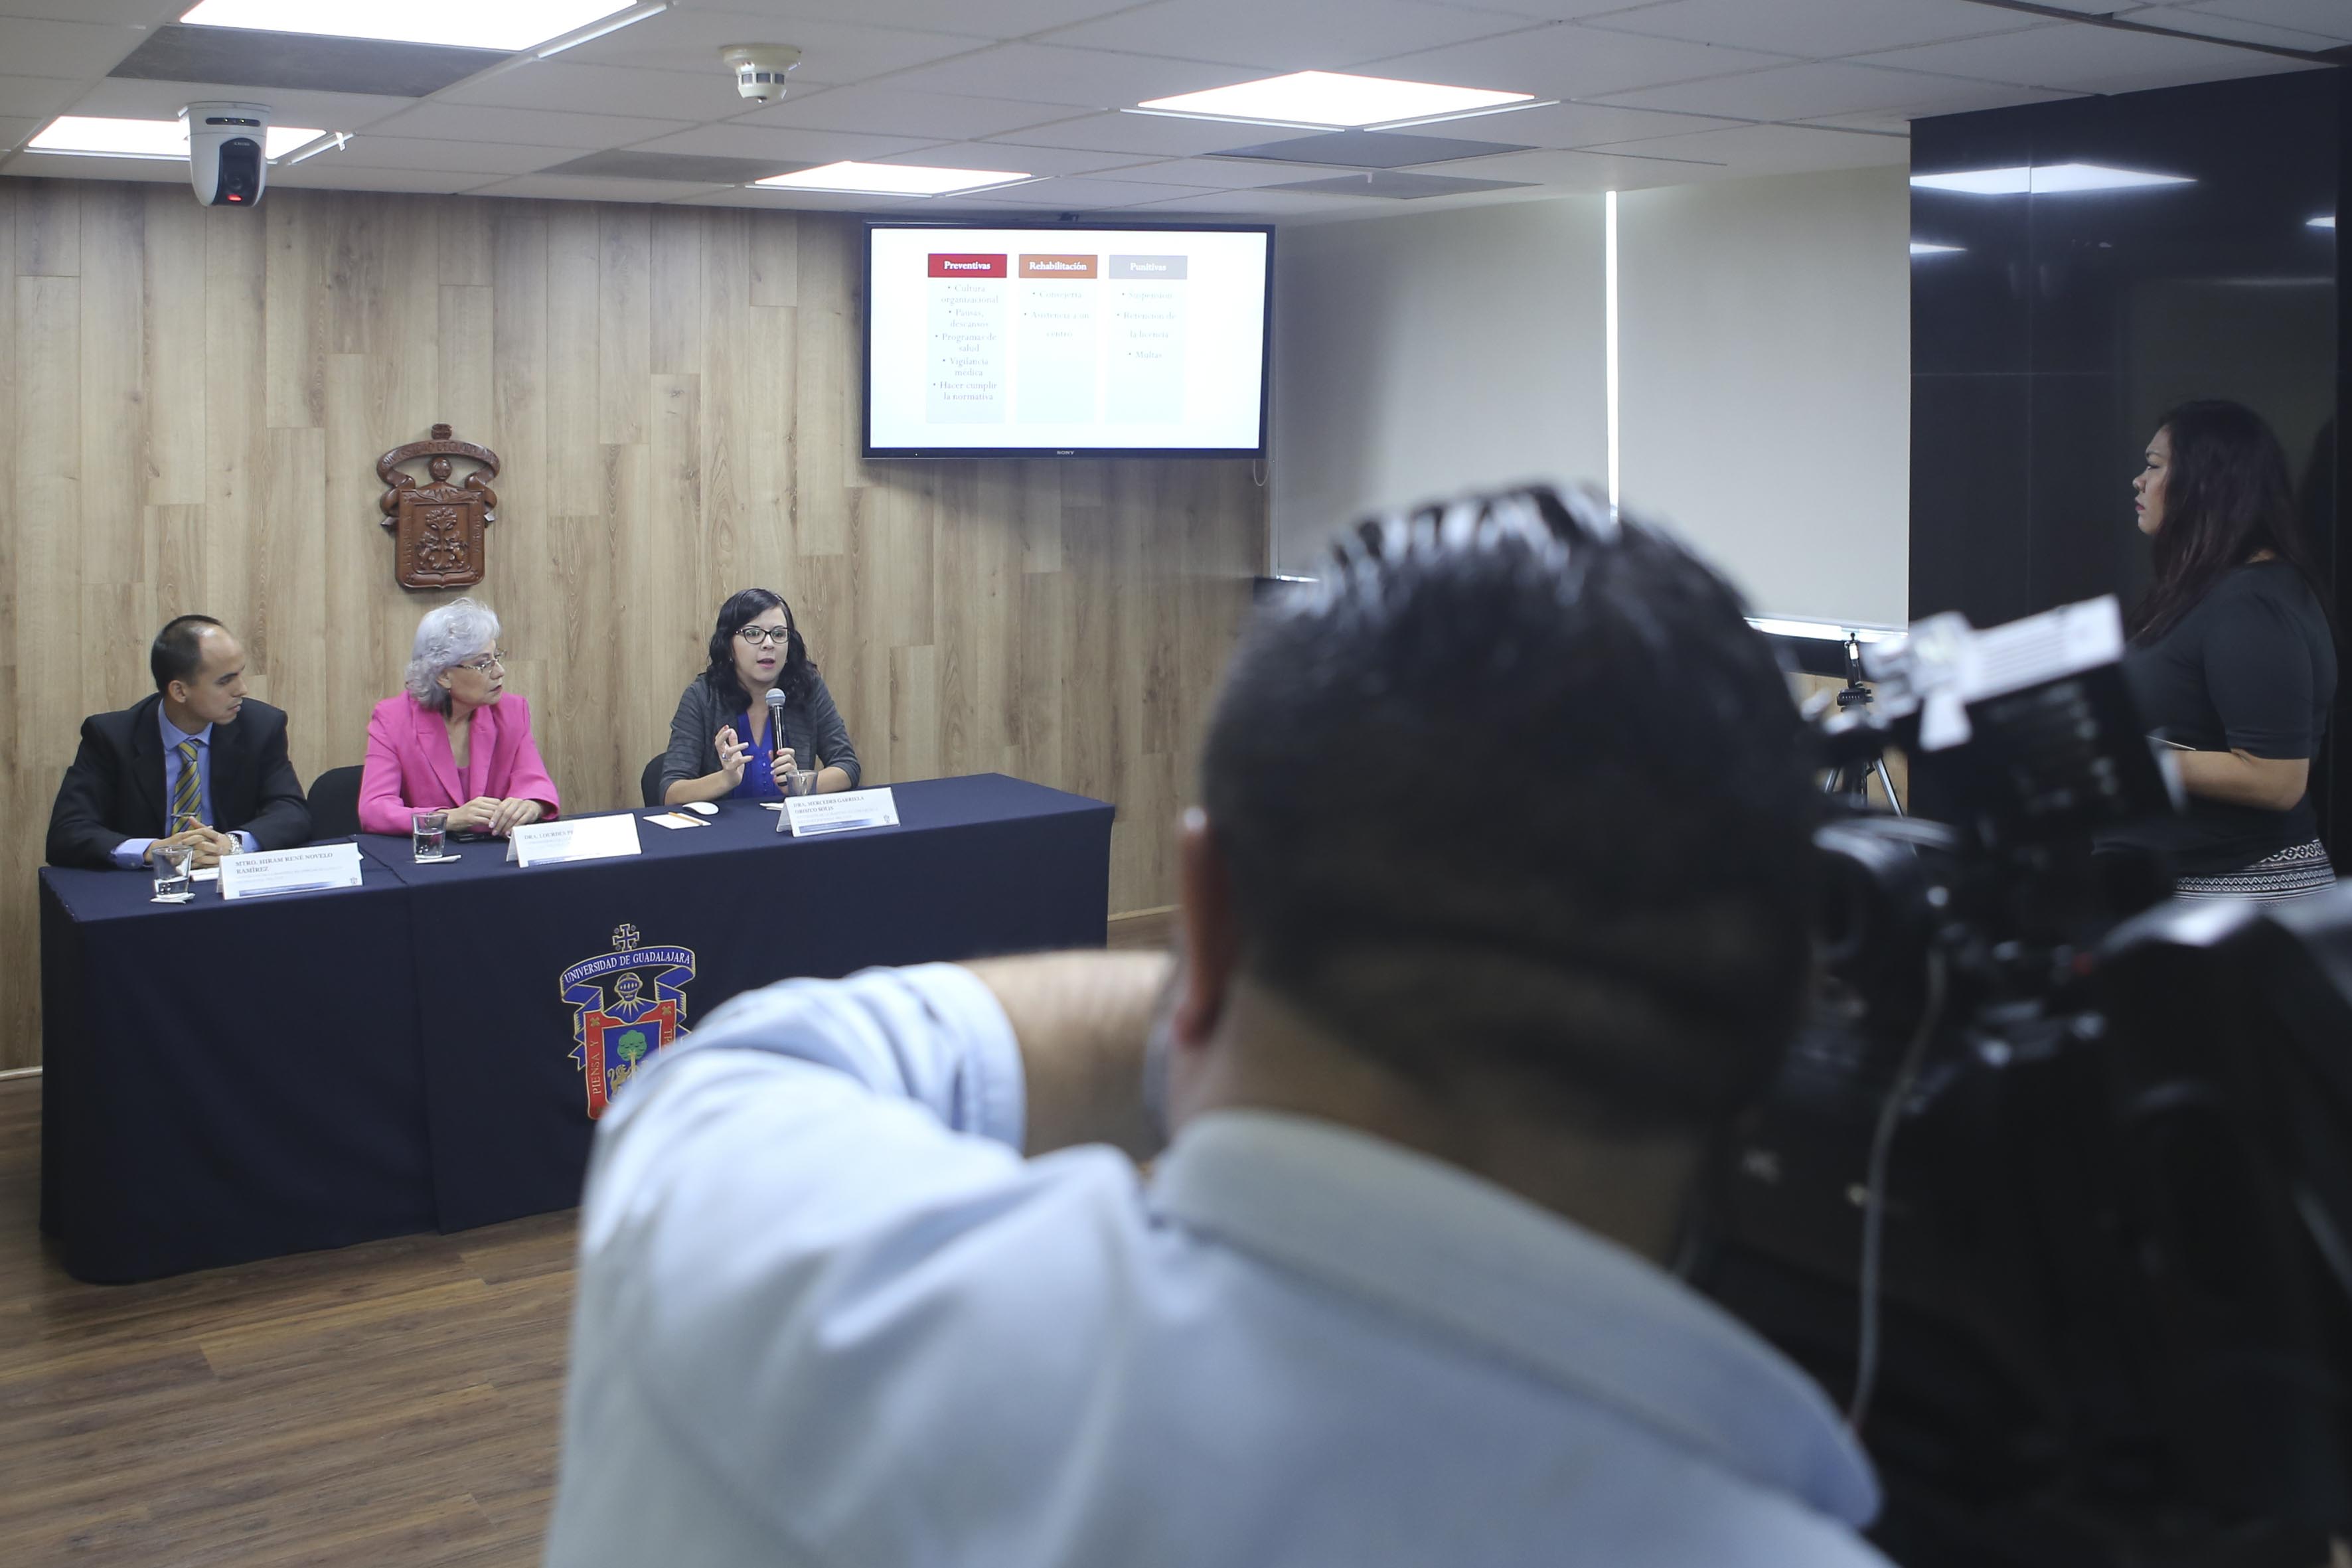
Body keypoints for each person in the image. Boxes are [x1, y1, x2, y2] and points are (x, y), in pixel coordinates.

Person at [547, 487, 1887, 1567]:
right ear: (1781, 1003)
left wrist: (1252, 981)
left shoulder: (759, 1276)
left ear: (1202, 911)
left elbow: (751, 1062)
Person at [2106, 400, 2338, 898]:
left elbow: (2275, 779)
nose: (2138, 481)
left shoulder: (2251, 604)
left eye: (2153, 465)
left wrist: (2123, 753)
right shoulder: (2208, 590)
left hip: (2242, 894)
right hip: (2182, 887)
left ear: (2205, 481)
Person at [47, 614, 311, 870]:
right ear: (179, 691)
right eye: (225, 681)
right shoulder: (111, 737)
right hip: (143, 891)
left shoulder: (262, 727)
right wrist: (151, 851)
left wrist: (232, 844)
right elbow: (68, 832)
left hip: (227, 882)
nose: (242, 689)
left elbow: (292, 812)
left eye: (239, 674)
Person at [357, 599, 559, 838]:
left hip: (495, 856)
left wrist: (530, 805)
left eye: (497, 657)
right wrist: (448, 818)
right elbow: (374, 810)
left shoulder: (512, 711)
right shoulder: (392, 719)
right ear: (443, 676)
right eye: (483, 664)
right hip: (429, 861)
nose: (499, 671)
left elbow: (536, 783)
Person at [659, 588, 858, 805]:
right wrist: (724, 779)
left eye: (779, 634)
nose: (769, 644)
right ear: (728, 645)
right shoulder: (702, 697)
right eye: (753, 633)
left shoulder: (807, 688)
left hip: (791, 831)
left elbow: (848, 767)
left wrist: (800, 783)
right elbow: (671, 792)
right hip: (724, 834)